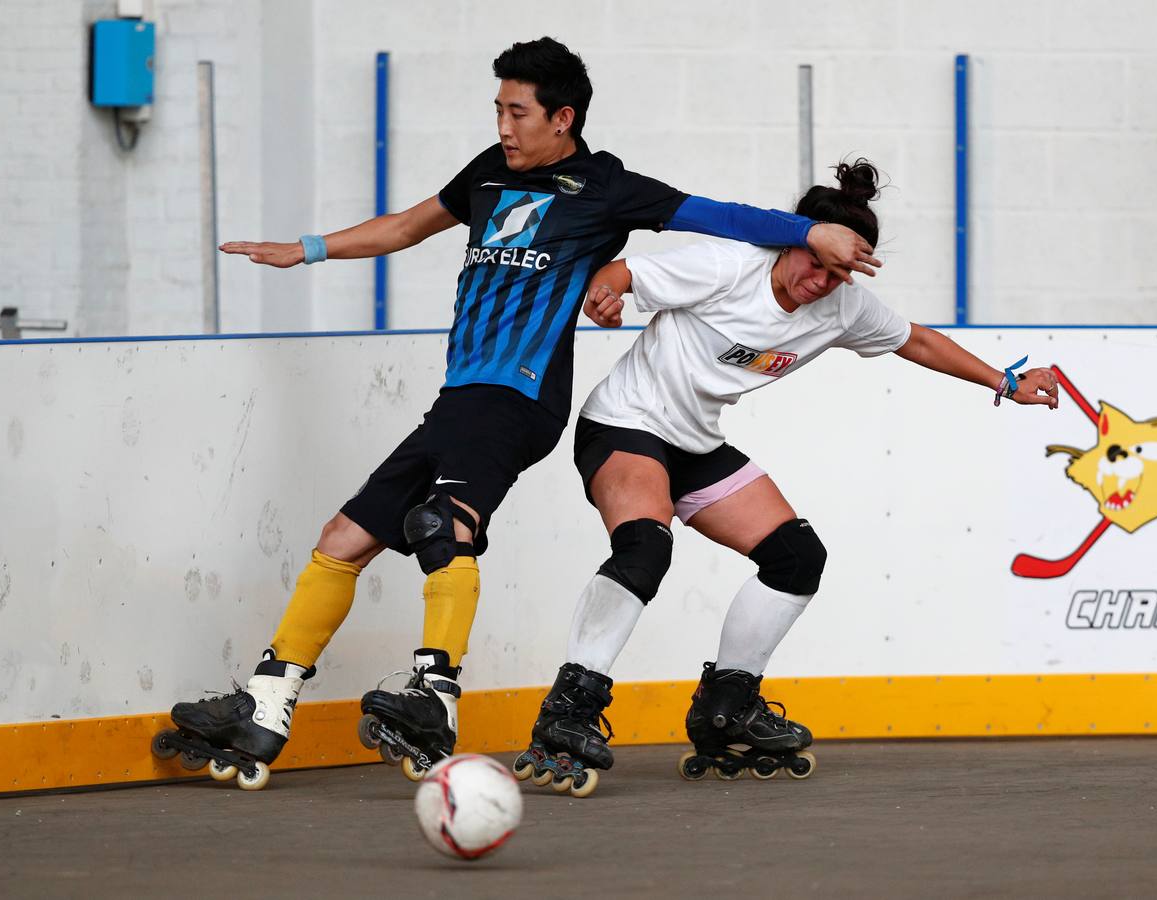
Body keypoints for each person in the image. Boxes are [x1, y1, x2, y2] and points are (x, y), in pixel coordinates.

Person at [156, 37, 883, 789]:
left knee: (444, 526)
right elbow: (405, 227)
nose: (504, 125)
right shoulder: (487, 173)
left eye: (517, 111)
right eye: (499, 109)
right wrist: (306, 249)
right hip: (461, 396)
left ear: (562, 118)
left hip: (521, 396)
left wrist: (807, 233)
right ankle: (268, 704)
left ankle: (432, 694)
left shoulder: (606, 187)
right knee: (343, 538)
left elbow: (718, 215)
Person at [512, 159, 1059, 797]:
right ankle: (568, 710)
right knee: (645, 545)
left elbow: (918, 341)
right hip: (624, 426)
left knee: (796, 557)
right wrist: (604, 293)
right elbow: (622, 272)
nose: (820, 283)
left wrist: (1008, 383)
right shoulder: (728, 266)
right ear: (795, 240)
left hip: (694, 445)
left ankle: (726, 707)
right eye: (815, 263)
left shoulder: (844, 308)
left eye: (838, 274)